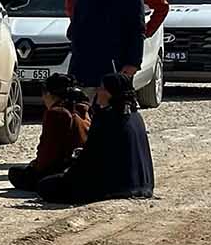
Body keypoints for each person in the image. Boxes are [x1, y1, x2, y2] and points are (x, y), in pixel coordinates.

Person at [36, 72, 156, 205]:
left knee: (46, 185)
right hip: (142, 184)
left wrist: (69, 174)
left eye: (102, 88)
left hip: (115, 186)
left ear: (111, 93)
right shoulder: (135, 116)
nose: (98, 91)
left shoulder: (106, 117)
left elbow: (90, 157)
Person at [7, 73, 93, 192]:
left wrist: (35, 166)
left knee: (15, 173)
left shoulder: (57, 113)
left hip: (61, 169)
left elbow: (48, 152)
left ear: (48, 94)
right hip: (82, 167)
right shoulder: (83, 109)